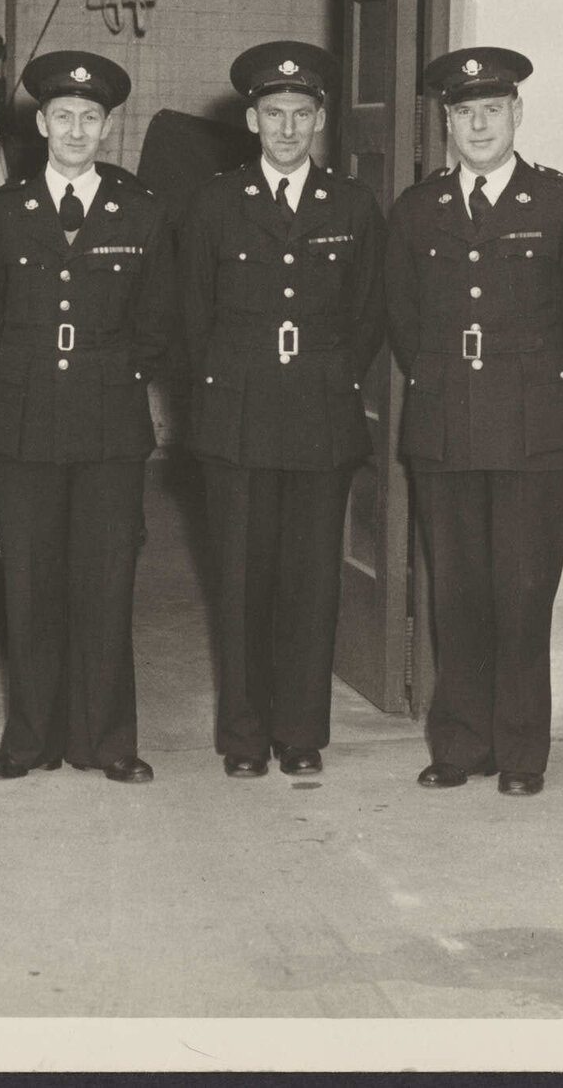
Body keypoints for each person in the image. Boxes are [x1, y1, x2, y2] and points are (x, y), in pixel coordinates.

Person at [385, 48, 563, 797]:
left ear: (516, 116)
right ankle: (459, 744)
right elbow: (404, 322)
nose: (478, 124)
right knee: (458, 591)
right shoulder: (418, 210)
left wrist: (532, 386)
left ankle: (521, 753)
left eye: (492, 111)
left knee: (524, 591)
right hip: (445, 424)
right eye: (464, 113)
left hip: (532, 427)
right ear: (447, 122)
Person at [0, 51, 176, 785]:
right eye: (63, 117)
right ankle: (28, 741)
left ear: (108, 127)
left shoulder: (141, 212)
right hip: (22, 424)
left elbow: (158, 321)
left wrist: (108, 370)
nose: (76, 129)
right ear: (42, 123)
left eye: (91, 118)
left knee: (107, 581)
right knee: (28, 584)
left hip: (110, 423)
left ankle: (108, 741)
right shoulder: (1, 213)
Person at [180, 41, 386, 778]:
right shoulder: (214, 202)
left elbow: (368, 316)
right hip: (235, 419)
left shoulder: (353, 206)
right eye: (275, 114)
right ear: (251, 118)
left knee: (310, 582)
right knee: (239, 583)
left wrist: (329, 377)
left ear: (322, 119)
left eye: (302, 114)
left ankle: (300, 733)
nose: (289, 129)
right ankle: (242, 737)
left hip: (320, 419)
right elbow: (192, 318)